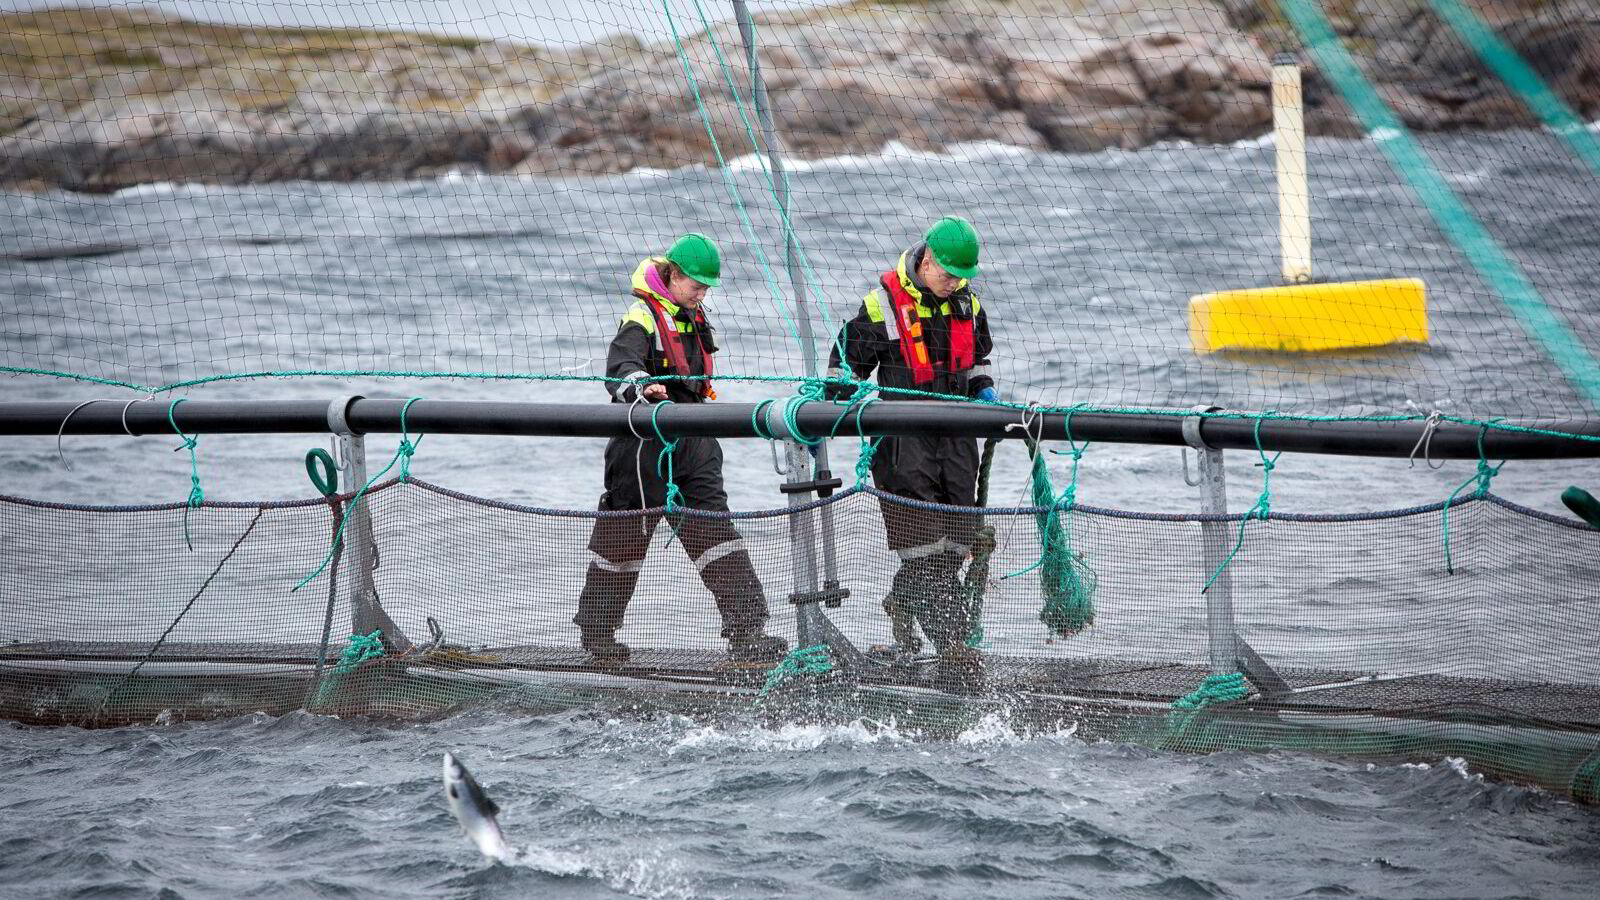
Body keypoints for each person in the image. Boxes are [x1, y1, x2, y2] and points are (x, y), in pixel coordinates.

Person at [574, 233, 787, 665]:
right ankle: (597, 634)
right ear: (671, 275)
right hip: (642, 446)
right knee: (624, 541)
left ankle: (748, 632)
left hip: (696, 439)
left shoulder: (693, 315)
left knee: (717, 533)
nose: (701, 292)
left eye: (707, 287)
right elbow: (620, 368)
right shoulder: (641, 316)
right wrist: (639, 385)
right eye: (696, 284)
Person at [825, 216, 996, 693]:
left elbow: (979, 359)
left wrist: (984, 389)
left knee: (960, 541)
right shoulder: (881, 305)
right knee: (923, 547)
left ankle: (902, 602)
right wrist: (838, 384)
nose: (955, 282)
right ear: (926, 260)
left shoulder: (969, 302)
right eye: (948, 273)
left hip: (959, 438)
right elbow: (845, 359)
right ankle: (955, 647)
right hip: (903, 444)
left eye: (963, 276)